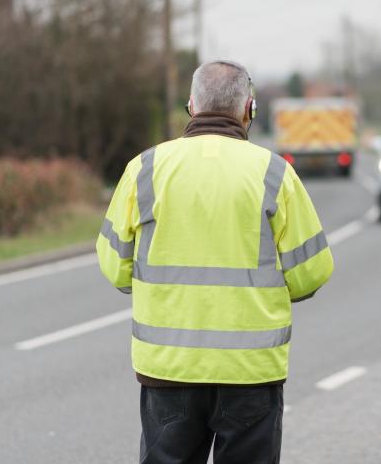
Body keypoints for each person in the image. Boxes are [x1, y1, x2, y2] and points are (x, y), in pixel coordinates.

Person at [96, 60, 333, 464]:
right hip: (250, 371)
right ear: (249, 110)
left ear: (191, 105)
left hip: (169, 369)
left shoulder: (145, 169)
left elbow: (115, 266)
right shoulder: (275, 173)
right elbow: (311, 272)